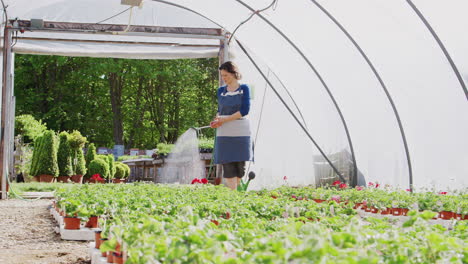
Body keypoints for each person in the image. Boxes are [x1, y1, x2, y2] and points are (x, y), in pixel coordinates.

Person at [211, 61, 252, 190]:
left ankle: (238, 190)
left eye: (226, 75)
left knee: (241, 167)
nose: (224, 78)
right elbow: (220, 110)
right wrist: (216, 120)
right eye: (222, 76)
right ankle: (233, 194)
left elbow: (244, 111)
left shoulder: (244, 88)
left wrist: (224, 120)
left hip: (241, 131)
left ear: (234, 73)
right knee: (227, 164)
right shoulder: (221, 91)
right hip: (224, 132)